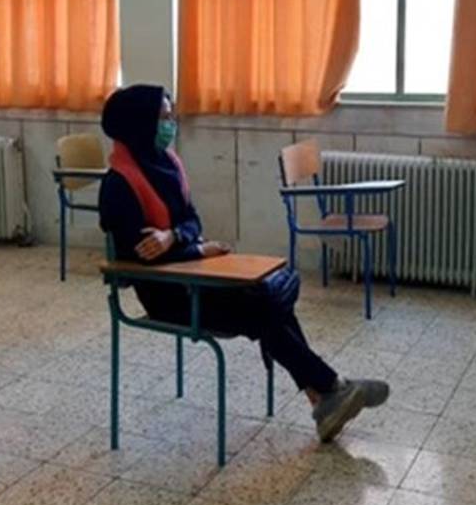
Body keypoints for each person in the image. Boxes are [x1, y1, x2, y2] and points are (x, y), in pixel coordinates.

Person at [98, 84, 390, 442]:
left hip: (195, 277)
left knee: (270, 297)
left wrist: (174, 238)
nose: (170, 124)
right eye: (163, 117)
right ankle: (330, 389)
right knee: (266, 306)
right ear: (139, 123)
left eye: (171, 116)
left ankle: (326, 396)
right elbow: (138, 256)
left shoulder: (168, 165)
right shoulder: (118, 184)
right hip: (167, 296)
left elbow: (192, 221)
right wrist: (195, 250)